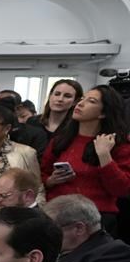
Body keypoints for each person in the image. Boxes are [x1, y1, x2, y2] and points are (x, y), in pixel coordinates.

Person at [42, 84, 130, 235]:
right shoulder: (60, 140)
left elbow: (122, 189)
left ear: (103, 113)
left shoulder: (118, 145)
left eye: (91, 101)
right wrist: (51, 181)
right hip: (56, 214)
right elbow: (42, 174)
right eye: (82, 99)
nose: (80, 104)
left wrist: (104, 156)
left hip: (95, 219)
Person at [28, 78, 83, 142]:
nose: (60, 99)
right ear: (50, 96)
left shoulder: (76, 128)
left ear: (75, 102)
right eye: (57, 94)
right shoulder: (32, 121)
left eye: (67, 96)